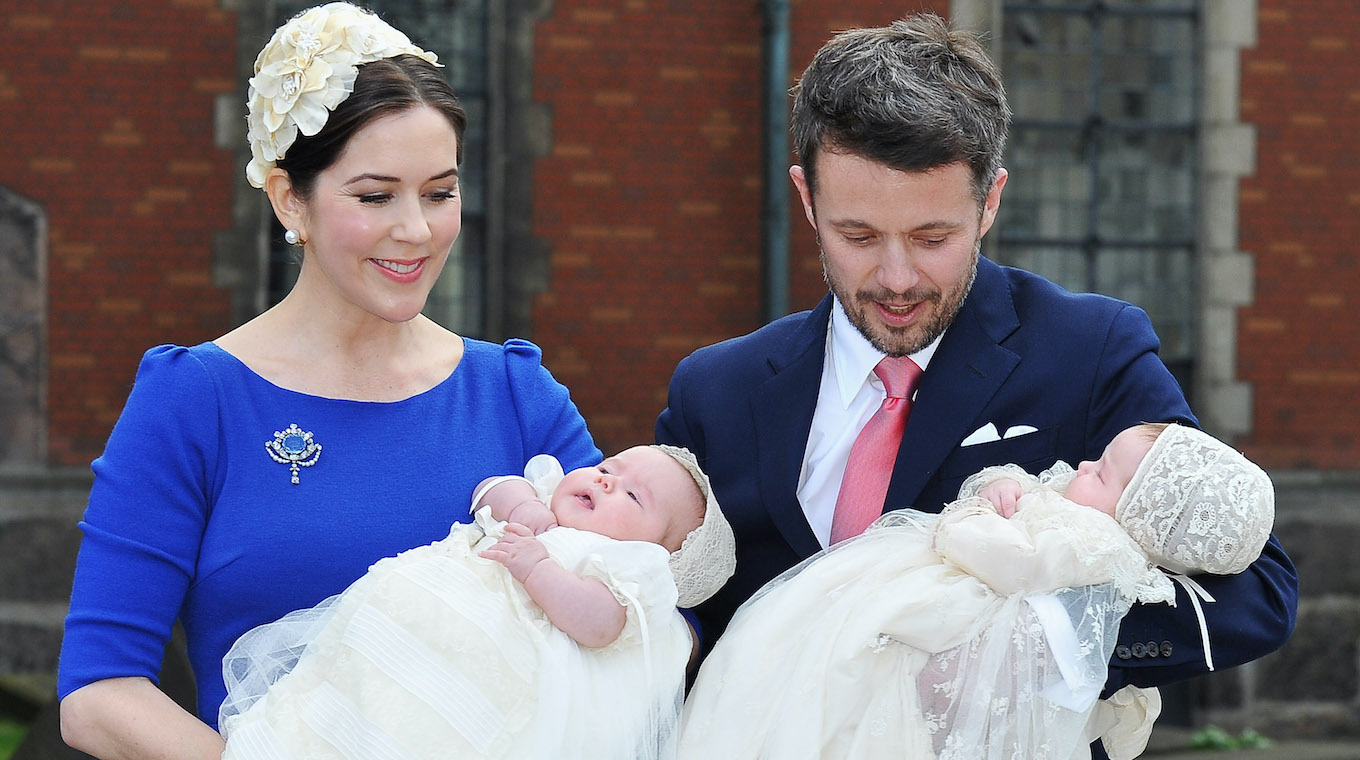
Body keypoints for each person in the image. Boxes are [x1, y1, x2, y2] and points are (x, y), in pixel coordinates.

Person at [655, 12, 1297, 696]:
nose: (896, 279)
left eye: (933, 238)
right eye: (859, 236)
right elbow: (672, 606)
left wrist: (1036, 646)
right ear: (807, 198)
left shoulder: (1091, 351)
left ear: (990, 201)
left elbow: (1257, 592)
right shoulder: (713, 391)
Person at [57, 5, 601, 758]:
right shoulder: (197, 401)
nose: (415, 228)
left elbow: (630, 601)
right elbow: (98, 694)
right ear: (290, 200)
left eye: (439, 192)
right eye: (375, 196)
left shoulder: (516, 396)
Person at [676, 423, 1276, 760]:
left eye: (1102, 473)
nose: (1082, 466)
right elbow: (1027, 487)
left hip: (934, 608)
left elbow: (1007, 561)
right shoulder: (1081, 509)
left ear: (1139, 520)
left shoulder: (1095, 546)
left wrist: (970, 520)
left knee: (843, 677)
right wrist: (1002, 488)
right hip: (922, 600)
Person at [216, 444, 736, 760]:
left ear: (659, 552)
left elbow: (599, 624)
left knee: (440, 729)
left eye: (632, 496)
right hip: (403, 632)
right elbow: (489, 487)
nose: (605, 480)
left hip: (488, 673)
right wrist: (524, 504)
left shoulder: (625, 569)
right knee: (358, 696)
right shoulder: (544, 498)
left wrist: (539, 569)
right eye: (612, 467)